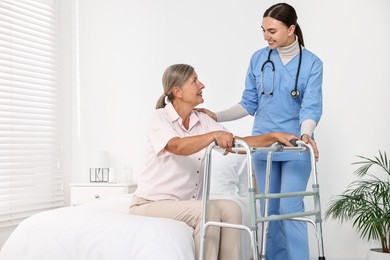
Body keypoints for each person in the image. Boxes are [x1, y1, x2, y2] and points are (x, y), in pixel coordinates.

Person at [129, 63, 300, 260]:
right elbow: (178, 146)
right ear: (178, 91)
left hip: (185, 203)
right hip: (150, 203)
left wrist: (275, 136)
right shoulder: (159, 118)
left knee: (232, 210)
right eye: (194, 81)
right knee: (208, 210)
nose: (201, 85)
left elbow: (239, 144)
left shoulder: (201, 120)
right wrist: (213, 136)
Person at [197, 3, 322, 260]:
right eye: (263, 30)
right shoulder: (258, 58)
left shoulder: (312, 63)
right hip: (263, 143)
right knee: (270, 210)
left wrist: (307, 134)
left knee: (291, 207)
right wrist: (217, 115)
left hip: (296, 143)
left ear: (291, 28)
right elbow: (248, 103)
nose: (267, 36)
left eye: (272, 30)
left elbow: (311, 106)